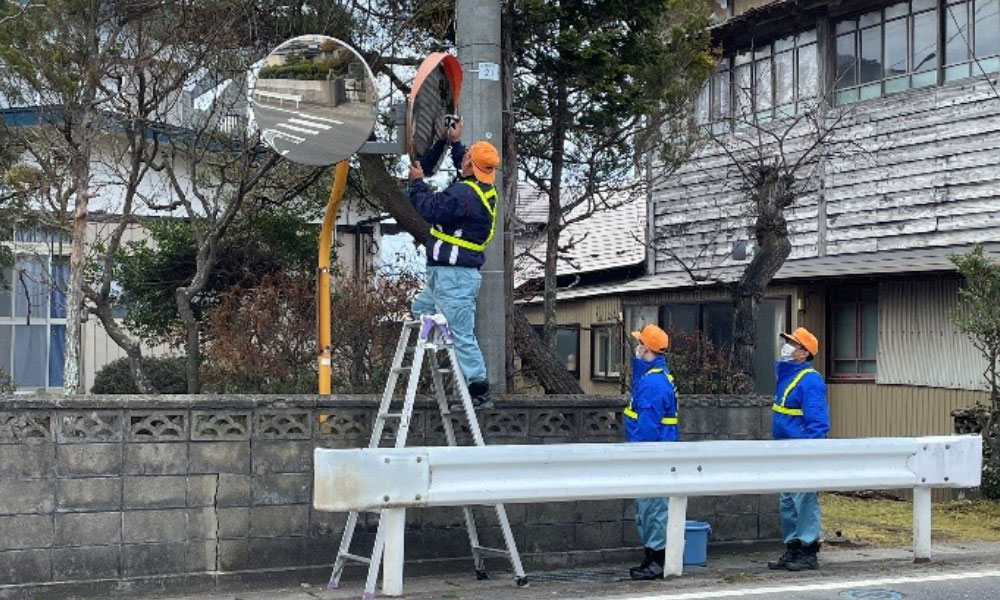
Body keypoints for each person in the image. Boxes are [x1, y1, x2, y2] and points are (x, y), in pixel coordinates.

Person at [407, 116, 500, 409]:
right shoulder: (482, 190)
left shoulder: (462, 194)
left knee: (461, 336)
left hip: (453, 278)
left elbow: (429, 208)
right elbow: (467, 171)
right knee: (419, 312)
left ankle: (479, 390)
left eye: (467, 158)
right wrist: (455, 142)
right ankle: (436, 361)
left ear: (471, 166)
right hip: (445, 276)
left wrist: (416, 183)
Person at [767, 327, 830, 571]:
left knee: (803, 501)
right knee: (788, 501)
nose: (787, 346)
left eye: (793, 343)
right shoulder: (788, 377)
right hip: (785, 450)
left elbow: (817, 422)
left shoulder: (809, 380)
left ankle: (808, 551)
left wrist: (811, 452)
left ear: (804, 353)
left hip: (801, 451)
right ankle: (793, 549)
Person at [624, 324, 679, 580]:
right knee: (649, 509)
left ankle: (656, 561)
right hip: (653, 454)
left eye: (640, 342)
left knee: (652, 509)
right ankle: (652, 558)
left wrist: (640, 454)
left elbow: (647, 426)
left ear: (646, 347)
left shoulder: (653, 384)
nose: (637, 346)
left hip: (650, 456)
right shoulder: (654, 378)